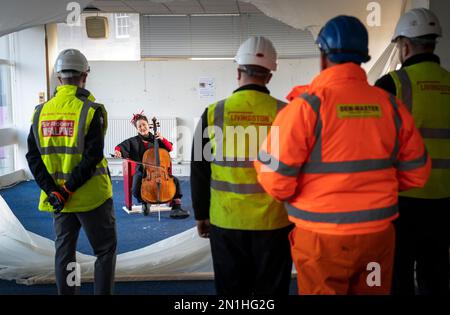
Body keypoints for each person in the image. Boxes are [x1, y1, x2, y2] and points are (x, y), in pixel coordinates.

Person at [254, 16, 431, 295]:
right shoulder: (391, 106)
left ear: (323, 56)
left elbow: (274, 178)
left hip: (321, 241)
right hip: (376, 239)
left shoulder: (303, 108)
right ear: (362, 57)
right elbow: (418, 172)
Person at [191, 36, 293, 295]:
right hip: (275, 224)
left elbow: (199, 169)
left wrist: (201, 214)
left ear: (238, 72)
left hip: (227, 223)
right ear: (269, 76)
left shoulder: (214, 113)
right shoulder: (287, 114)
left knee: (231, 293)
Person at [26, 49, 117, 295]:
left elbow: (32, 157)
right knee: (104, 251)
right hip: (91, 198)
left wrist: (55, 191)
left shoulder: (40, 112)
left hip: (59, 201)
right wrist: (68, 189)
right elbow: (93, 157)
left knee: (66, 253)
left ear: (58, 78)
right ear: (84, 76)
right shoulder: (90, 110)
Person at [375, 8, 450, 295]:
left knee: (398, 274)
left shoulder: (391, 85)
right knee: (437, 274)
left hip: (402, 201)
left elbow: (374, 144)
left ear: (404, 46)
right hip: (444, 200)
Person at [114, 113, 189, 219]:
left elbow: (169, 148)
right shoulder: (133, 141)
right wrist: (117, 151)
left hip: (159, 169)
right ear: (137, 129)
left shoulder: (157, 138)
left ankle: (177, 206)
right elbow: (120, 147)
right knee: (135, 189)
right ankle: (145, 201)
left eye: (144, 124)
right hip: (143, 170)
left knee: (175, 181)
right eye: (139, 126)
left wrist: (162, 138)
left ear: (148, 125)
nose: (142, 127)